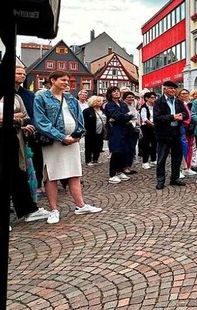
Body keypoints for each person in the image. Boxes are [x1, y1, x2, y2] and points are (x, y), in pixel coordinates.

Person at [0, 90, 50, 232]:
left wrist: (6, 117)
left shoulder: (15, 97)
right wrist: (15, 117)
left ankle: (27, 210)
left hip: (14, 142)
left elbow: (26, 118)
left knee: (18, 175)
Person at [34, 71, 102, 224]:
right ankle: (53, 210)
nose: (66, 83)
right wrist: (61, 136)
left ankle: (80, 205)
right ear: (53, 80)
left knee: (74, 173)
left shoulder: (70, 98)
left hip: (72, 141)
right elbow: (41, 122)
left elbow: (79, 118)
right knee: (52, 175)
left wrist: (78, 135)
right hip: (54, 142)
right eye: (63, 80)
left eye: (67, 80)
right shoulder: (42, 97)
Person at [153, 81, 188, 189]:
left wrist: (182, 115)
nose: (173, 90)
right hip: (164, 133)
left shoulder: (178, 101)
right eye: (170, 88)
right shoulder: (159, 102)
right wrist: (172, 117)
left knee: (177, 157)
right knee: (162, 158)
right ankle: (160, 180)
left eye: (174, 89)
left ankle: (175, 178)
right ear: (165, 89)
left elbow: (186, 114)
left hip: (176, 132)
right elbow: (157, 118)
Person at [104, 87, 135, 183]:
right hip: (115, 131)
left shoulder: (122, 104)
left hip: (124, 130)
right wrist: (126, 116)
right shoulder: (109, 105)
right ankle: (112, 174)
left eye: (117, 91)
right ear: (110, 93)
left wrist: (126, 116)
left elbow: (126, 117)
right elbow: (118, 116)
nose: (117, 93)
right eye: (114, 91)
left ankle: (120, 171)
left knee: (124, 151)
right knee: (116, 152)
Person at [82, 95, 106, 166]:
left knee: (98, 145)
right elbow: (84, 121)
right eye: (98, 101)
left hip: (100, 130)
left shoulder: (102, 110)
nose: (100, 102)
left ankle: (96, 159)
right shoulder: (87, 111)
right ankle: (88, 160)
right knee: (89, 146)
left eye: (101, 101)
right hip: (90, 131)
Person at [138, 92, 157, 169]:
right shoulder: (144, 107)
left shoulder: (155, 107)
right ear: (146, 98)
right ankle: (145, 162)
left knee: (154, 143)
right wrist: (153, 125)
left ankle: (153, 159)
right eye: (152, 97)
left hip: (154, 127)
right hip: (146, 127)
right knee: (146, 144)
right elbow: (145, 119)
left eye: (154, 97)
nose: (154, 99)